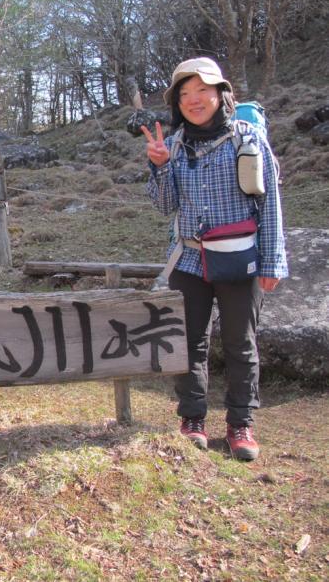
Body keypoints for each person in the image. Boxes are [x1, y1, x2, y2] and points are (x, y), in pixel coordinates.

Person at [143, 56, 287, 461]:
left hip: (241, 260)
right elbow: (165, 205)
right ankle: (192, 419)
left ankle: (241, 423)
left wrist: (273, 262)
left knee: (241, 345)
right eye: (185, 94)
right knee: (190, 344)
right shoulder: (171, 145)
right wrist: (158, 167)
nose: (194, 100)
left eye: (202, 90)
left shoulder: (248, 139)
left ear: (221, 94)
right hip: (189, 260)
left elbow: (270, 204)